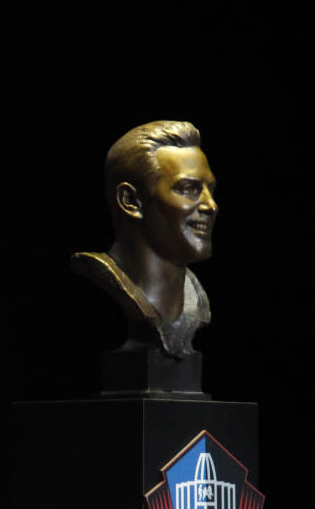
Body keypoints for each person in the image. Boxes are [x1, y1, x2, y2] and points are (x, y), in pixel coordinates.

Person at [70, 120, 218, 359]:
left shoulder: (197, 304)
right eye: (188, 188)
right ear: (130, 200)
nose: (211, 205)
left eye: (210, 189)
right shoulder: (103, 292)